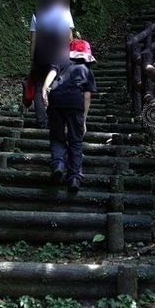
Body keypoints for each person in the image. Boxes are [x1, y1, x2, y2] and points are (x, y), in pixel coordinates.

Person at [41, 39, 97, 193]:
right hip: (75, 103)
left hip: (56, 100)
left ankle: (58, 164)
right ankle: (73, 178)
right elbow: (87, 96)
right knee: (75, 141)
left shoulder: (60, 60)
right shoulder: (86, 69)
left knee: (57, 137)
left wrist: (45, 89)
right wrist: (84, 118)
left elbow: (52, 73)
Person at [29, 0, 74, 128]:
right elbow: (69, 37)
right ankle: (56, 120)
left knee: (39, 86)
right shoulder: (65, 12)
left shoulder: (37, 12)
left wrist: (32, 57)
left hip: (41, 55)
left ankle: (42, 121)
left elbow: (33, 39)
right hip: (60, 54)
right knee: (59, 85)